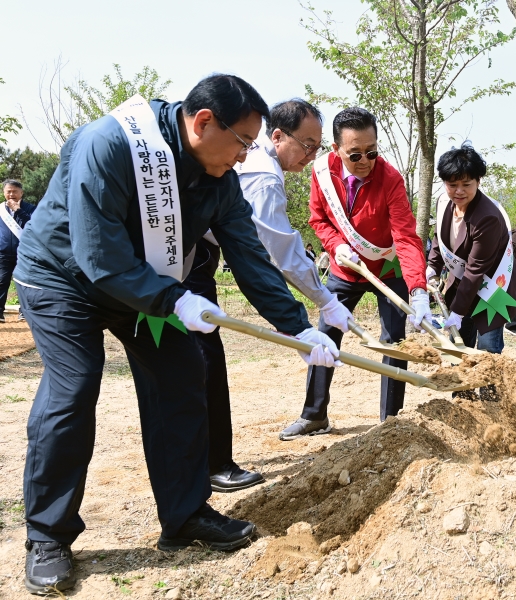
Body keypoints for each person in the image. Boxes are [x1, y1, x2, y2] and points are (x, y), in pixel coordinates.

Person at [13, 74, 341, 595]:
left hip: (145, 288)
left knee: (184, 373)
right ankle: (48, 535)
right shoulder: (111, 145)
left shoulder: (220, 178)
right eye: (241, 143)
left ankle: (185, 513)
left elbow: (250, 256)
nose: (244, 157)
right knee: (73, 389)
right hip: (65, 278)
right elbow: (99, 257)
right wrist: (175, 298)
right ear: (204, 122)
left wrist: (300, 327)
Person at [182, 99, 355, 494]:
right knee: (204, 359)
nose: (312, 155)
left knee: (203, 357)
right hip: (186, 261)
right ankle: (214, 464)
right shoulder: (264, 176)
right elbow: (277, 253)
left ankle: (211, 460)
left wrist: (317, 304)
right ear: (277, 136)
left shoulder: (257, 163)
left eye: (317, 147)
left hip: (198, 256)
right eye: (306, 144)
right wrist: (321, 303)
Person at [281, 106, 428, 439]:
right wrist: (336, 245)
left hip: (387, 268)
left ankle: (391, 423)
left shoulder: (390, 179)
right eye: (355, 154)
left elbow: (405, 235)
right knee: (326, 335)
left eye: (372, 152)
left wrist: (417, 289)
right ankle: (315, 415)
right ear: (336, 150)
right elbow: (318, 220)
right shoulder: (321, 173)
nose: (365, 161)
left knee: (394, 342)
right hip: (345, 268)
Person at [426, 144, 516, 369]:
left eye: (466, 184)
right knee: (457, 350)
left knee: (487, 354)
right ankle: (462, 400)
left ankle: (489, 401)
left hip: (493, 288)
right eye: (452, 185)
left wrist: (459, 312)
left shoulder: (487, 217)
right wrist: (432, 265)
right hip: (463, 285)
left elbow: (474, 270)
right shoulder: (444, 202)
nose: (459, 191)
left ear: (478, 181)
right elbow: (438, 238)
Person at [1, 179, 35, 323]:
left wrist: (18, 211)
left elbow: (34, 225)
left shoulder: (31, 208)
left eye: (15, 191)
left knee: (25, 282)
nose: (11, 194)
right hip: (3, 253)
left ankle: (24, 312)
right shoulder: (1, 210)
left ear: (21, 192)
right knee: (1, 281)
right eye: (8, 191)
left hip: (25, 252)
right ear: (4, 193)